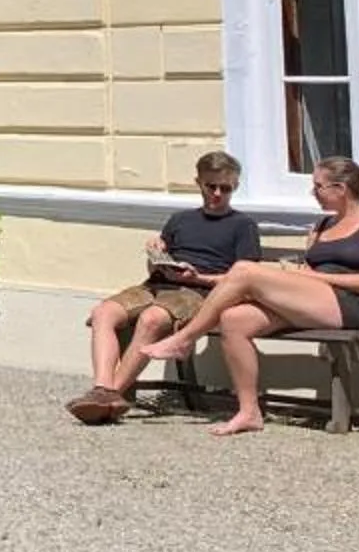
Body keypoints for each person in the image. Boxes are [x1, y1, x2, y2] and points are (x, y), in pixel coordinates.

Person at [113, 156, 359, 437]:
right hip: (313, 300)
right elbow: (309, 271)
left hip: (350, 306)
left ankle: (184, 339)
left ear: (340, 189)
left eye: (318, 186)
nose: (313, 193)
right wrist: (297, 274)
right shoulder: (321, 226)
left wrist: (314, 277)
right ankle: (249, 412)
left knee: (244, 270)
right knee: (234, 319)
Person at [65, 151, 263, 423]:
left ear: (235, 186)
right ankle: (102, 389)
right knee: (103, 312)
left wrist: (199, 278)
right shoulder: (180, 220)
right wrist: (156, 255)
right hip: (157, 284)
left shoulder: (243, 226)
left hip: (200, 292)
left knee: (152, 319)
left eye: (225, 188)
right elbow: (153, 269)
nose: (217, 194)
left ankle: (111, 394)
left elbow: (245, 279)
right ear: (199, 183)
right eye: (211, 186)